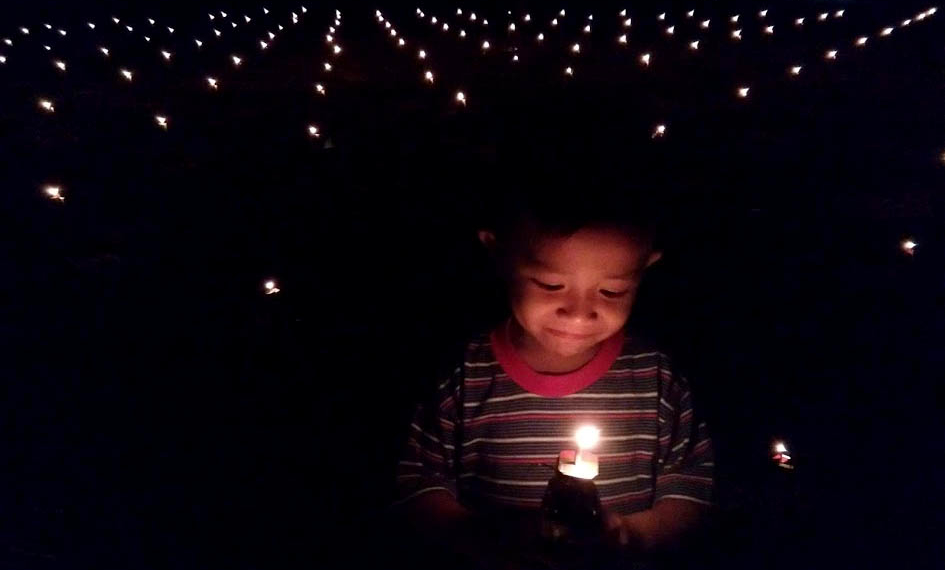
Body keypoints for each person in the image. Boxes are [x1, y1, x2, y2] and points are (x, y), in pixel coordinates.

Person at [385, 159, 715, 569]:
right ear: (499, 253)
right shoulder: (465, 377)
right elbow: (418, 483)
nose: (579, 314)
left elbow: (691, 484)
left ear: (644, 267)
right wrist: (481, 536)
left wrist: (634, 535)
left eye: (611, 291)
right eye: (550, 285)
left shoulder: (656, 379)